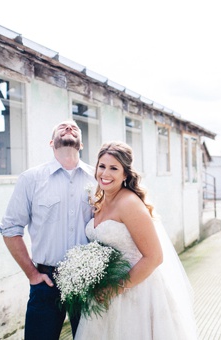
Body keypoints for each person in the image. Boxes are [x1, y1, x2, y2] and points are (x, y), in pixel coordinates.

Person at [75, 141, 196, 339]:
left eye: (114, 168)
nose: (105, 174)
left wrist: (116, 289)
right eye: (102, 166)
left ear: (125, 174)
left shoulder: (129, 203)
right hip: (104, 294)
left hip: (135, 293)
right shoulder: (100, 200)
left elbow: (155, 257)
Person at [0, 120, 93, 339]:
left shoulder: (98, 179)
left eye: (74, 128)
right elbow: (10, 229)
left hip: (90, 282)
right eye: (62, 127)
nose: (69, 128)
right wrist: (32, 273)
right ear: (52, 143)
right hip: (46, 280)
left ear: (81, 144)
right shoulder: (31, 179)